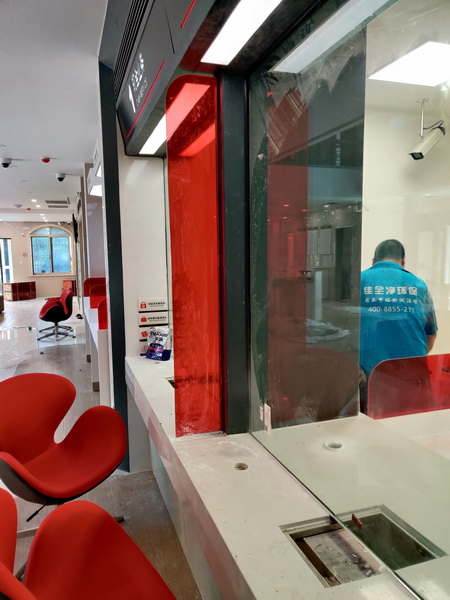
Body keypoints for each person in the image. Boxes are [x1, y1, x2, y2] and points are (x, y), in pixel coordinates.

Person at [360, 239, 437, 381]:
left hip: (369, 376)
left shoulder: (359, 281)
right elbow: (431, 335)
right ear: (403, 261)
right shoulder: (419, 285)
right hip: (411, 376)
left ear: (373, 261)